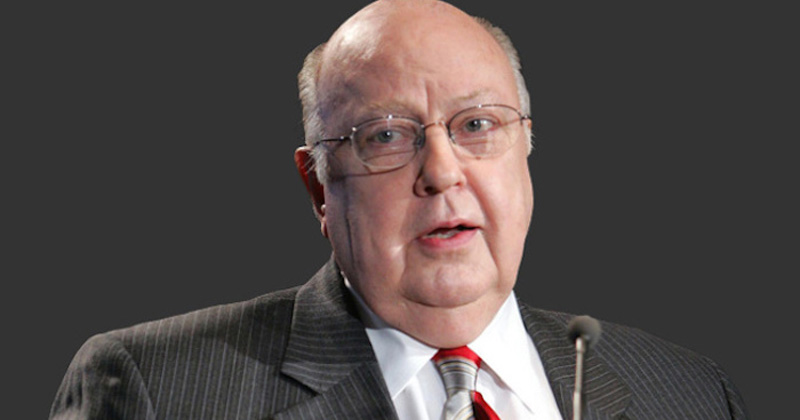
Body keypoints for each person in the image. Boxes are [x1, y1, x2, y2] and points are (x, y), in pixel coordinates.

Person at [50, 1, 748, 419]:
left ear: (526, 151)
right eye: (386, 136)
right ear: (319, 188)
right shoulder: (156, 390)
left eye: (478, 125)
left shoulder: (688, 393)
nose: (442, 172)